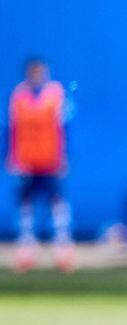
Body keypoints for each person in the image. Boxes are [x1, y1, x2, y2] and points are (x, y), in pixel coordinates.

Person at [6, 57, 73, 273]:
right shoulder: (19, 96)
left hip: (50, 159)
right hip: (26, 159)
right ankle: (26, 247)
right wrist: (11, 156)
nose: (37, 76)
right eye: (33, 72)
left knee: (56, 201)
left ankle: (61, 247)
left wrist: (64, 155)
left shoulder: (56, 95)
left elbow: (65, 128)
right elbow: (11, 129)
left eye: (41, 71)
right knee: (25, 203)